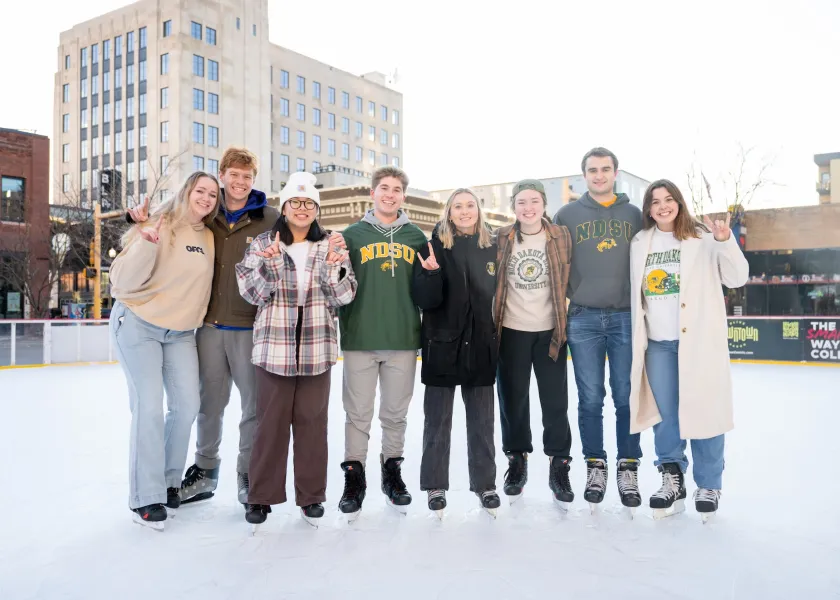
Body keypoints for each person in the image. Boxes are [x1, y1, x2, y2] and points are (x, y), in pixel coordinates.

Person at [125, 147, 280, 507]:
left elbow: (305, 232)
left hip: (250, 329)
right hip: (208, 328)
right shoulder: (206, 213)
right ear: (222, 175)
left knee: (253, 407)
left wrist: (332, 238)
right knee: (208, 405)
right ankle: (205, 472)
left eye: (247, 176)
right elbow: (164, 221)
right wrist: (138, 222)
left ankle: (248, 474)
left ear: (253, 180)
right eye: (234, 175)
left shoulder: (269, 218)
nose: (240, 182)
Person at [235, 171, 356, 528]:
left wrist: (336, 269)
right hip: (274, 348)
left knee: (312, 425)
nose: (302, 209)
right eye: (295, 202)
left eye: (308, 203)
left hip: (318, 347)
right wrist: (271, 264)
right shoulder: (263, 243)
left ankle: (311, 496)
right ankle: (260, 497)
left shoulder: (331, 244)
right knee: (269, 425)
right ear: (284, 208)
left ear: (316, 210)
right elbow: (252, 293)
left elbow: (345, 296)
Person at [629, 179, 748, 520]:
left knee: (704, 411)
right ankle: (672, 479)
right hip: (658, 344)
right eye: (655, 201)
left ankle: (709, 484)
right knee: (664, 416)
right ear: (648, 209)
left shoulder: (704, 238)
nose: (663, 206)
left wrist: (726, 242)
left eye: (669, 199)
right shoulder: (640, 242)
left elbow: (737, 278)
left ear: (679, 203)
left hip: (697, 341)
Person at [109, 171, 220, 530]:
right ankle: (145, 496)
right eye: (200, 190)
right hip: (139, 324)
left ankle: (170, 483)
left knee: (187, 406)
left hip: (180, 334)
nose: (206, 198)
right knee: (149, 407)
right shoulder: (159, 222)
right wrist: (147, 242)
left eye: (212, 195)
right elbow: (120, 283)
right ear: (187, 191)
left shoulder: (209, 236)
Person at [553, 147, 643, 511]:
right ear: (584, 175)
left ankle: (628, 466)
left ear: (616, 173)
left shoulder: (635, 215)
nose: (599, 175)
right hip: (584, 316)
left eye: (606, 169)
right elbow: (554, 262)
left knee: (625, 397)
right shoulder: (567, 214)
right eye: (593, 170)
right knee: (590, 398)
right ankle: (596, 465)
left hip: (625, 315)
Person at [336, 166, 428, 517]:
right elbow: (337, 282)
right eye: (384, 188)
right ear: (372, 193)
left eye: (397, 189)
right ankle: (354, 478)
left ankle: (392, 473)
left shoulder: (417, 237)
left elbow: (428, 288)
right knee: (357, 414)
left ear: (404, 195)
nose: (390, 194)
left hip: (403, 338)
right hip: (360, 337)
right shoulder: (351, 235)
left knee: (395, 414)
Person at [411, 188, 500, 516]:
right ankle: (435, 485)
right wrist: (431, 274)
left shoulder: (492, 247)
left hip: (480, 345)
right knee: (437, 421)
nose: (464, 212)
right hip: (442, 345)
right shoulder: (432, 247)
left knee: (482, 421)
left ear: (478, 210)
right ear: (449, 213)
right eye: (458, 207)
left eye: (470, 206)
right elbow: (425, 300)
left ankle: (485, 484)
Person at [493, 179, 575, 507]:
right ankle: (517, 461)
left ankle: (559, 464)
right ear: (513, 207)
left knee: (555, 402)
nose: (528, 208)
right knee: (513, 401)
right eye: (521, 203)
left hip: (550, 332)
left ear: (543, 204)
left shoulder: (561, 236)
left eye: (534, 202)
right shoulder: (500, 237)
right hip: (511, 329)